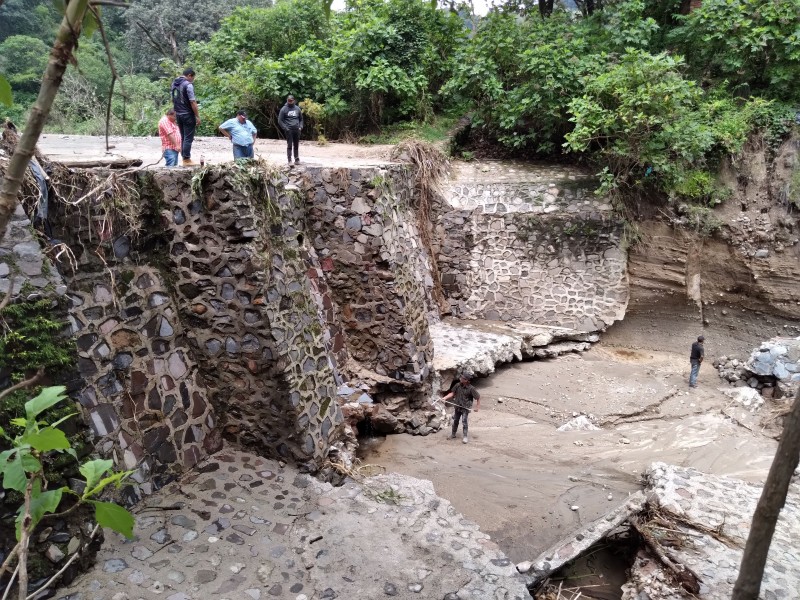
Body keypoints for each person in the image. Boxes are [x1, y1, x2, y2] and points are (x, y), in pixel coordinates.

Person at [170, 68, 201, 166]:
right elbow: (192, 102)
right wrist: (197, 116)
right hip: (187, 114)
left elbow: (173, 100)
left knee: (183, 137)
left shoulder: (174, 84)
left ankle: (184, 158)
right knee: (188, 138)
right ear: (190, 75)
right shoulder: (188, 85)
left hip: (178, 114)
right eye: (193, 78)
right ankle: (186, 159)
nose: (192, 80)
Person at [442, 372, 480, 444]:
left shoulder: (471, 389)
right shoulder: (457, 385)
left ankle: (465, 436)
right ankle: (453, 434)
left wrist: (477, 407)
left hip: (465, 408)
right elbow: (452, 393)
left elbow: (478, 397)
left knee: (464, 422)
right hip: (457, 406)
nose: (460, 378)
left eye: (462, 378)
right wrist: (445, 398)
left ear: (466, 380)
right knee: (455, 420)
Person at [278, 95, 303, 165]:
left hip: (297, 130)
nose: (290, 102)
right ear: (287, 100)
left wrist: (300, 127)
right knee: (289, 145)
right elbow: (280, 121)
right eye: (288, 100)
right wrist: (286, 128)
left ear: (294, 101)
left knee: (296, 145)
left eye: (291, 100)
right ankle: (289, 160)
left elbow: (301, 119)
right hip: (289, 130)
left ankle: (297, 159)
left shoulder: (297, 109)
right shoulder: (283, 109)